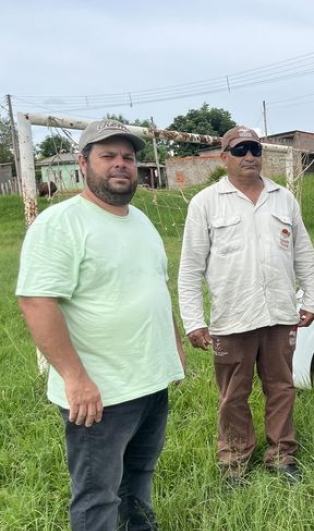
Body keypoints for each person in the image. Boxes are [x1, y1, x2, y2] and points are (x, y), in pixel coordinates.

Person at [16, 119, 186, 530]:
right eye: (108, 155)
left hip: (149, 384)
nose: (120, 163)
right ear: (82, 163)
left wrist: (174, 348)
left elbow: (154, 288)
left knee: (139, 477)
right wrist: (75, 378)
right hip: (99, 395)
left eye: (128, 157)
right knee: (98, 496)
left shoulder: (140, 220)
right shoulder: (61, 223)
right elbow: (37, 301)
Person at [178, 125, 314, 484]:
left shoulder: (283, 198)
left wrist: (311, 299)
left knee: (281, 388)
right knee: (233, 395)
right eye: (240, 150)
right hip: (232, 318)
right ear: (224, 157)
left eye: (255, 150)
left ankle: (282, 456)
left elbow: (303, 253)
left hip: (279, 315)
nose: (249, 157)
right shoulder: (206, 202)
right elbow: (190, 268)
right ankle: (234, 463)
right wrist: (194, 321)